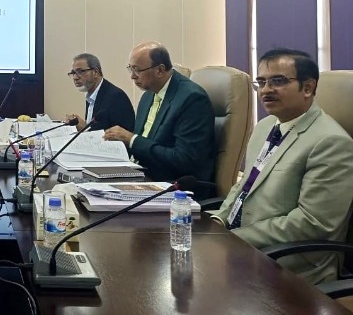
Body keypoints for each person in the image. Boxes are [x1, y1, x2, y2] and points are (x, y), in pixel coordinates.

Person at [210, 49, 353, 285]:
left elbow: (312, 223)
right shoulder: (265, 127)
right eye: (261, 82)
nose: (266, 90)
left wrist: (234, 239)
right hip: (242, 250)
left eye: (278, 81)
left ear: (308, 88)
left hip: (287, 265)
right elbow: (245, 186)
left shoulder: (331, 142)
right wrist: (219, 222)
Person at [103, 42, 216, 182]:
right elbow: (143, 144)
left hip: (170, 183)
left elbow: (184, 160)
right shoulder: (148, 95)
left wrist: (132, 140)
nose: (132, 76)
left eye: (137, 70)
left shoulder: (192, 99)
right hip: (140, 174)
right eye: (130, 69)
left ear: (160, 70)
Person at [64, 53, 135, 132]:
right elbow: (96, 128)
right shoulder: (91, 96)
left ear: (95, 72)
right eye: (73, 73)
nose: (75, 77)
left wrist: (84, 129)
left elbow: (122, 135)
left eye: (80, 72)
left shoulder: (116, 97)